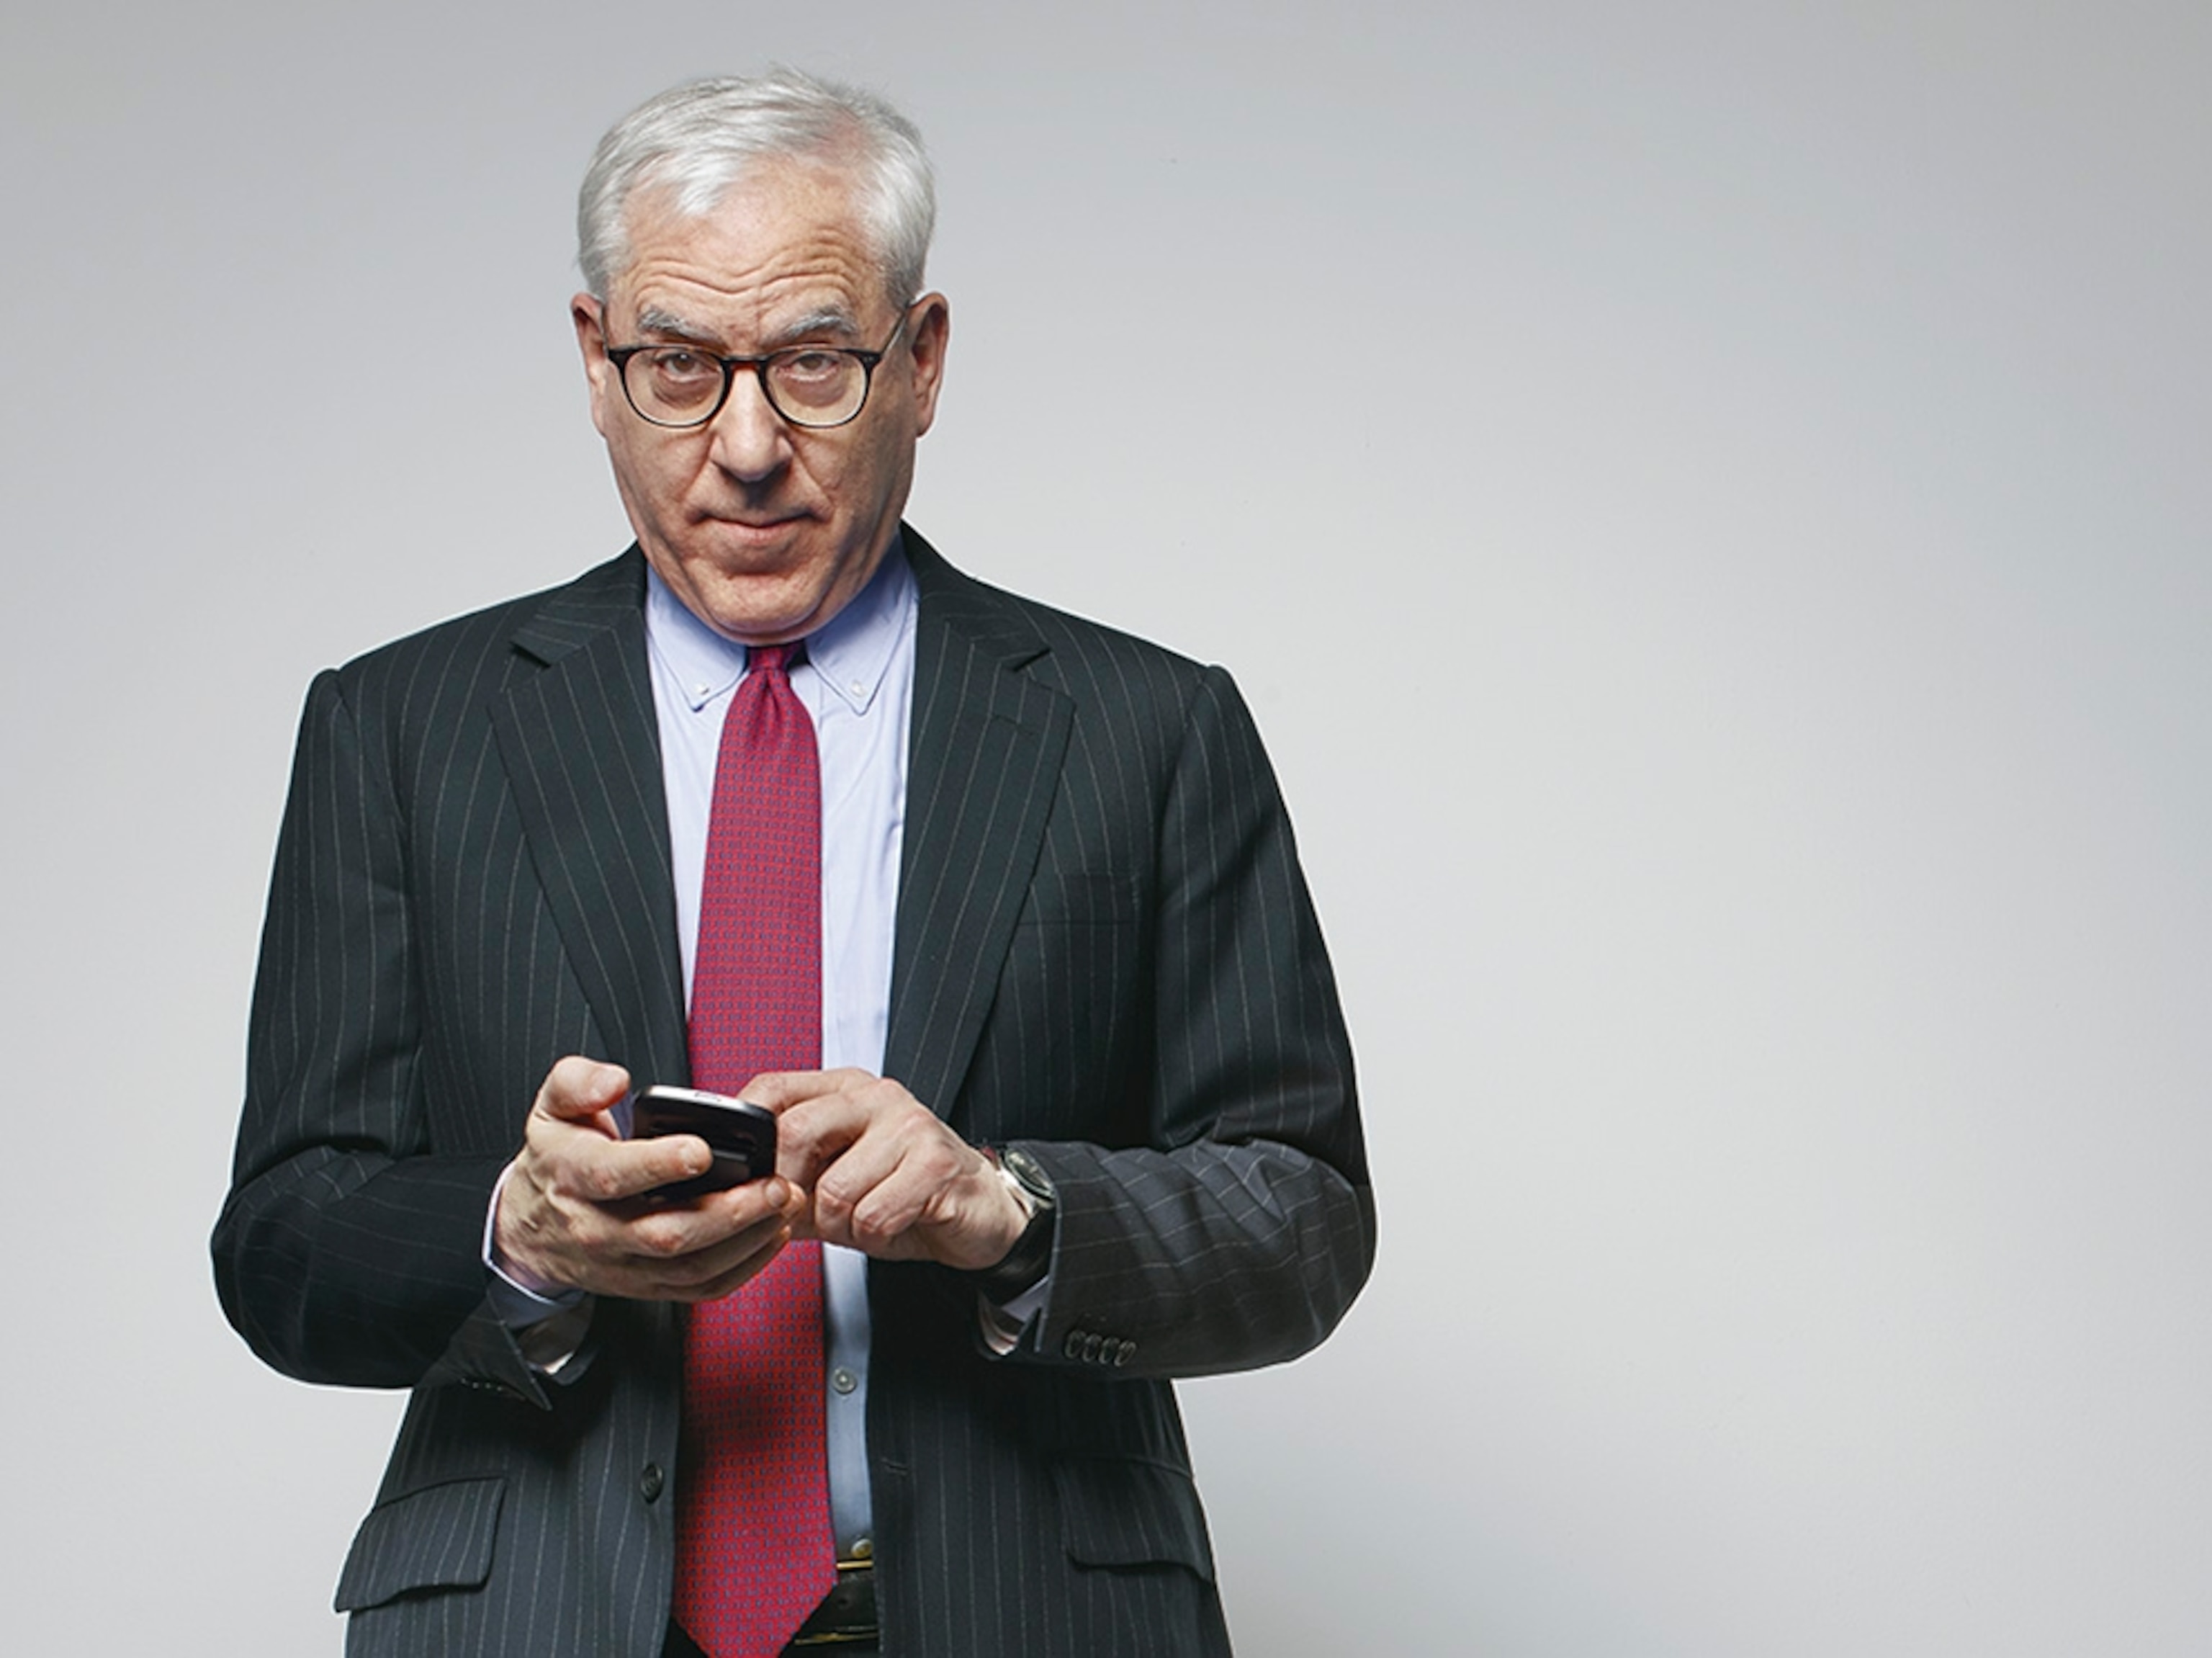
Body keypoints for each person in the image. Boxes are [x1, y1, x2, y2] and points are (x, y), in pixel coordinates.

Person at [213, 68, 1372, 1658]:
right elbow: (281, 1239)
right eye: (680, 365)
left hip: (1021, 1606)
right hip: (533, 1614)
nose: (747, 445)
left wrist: (1007, 1204)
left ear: (924, 360)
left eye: (816, 364)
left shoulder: (1148, 728)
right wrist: (520, 1231)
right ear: (594, 361)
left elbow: (1304, 1214)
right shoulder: (403, 728)